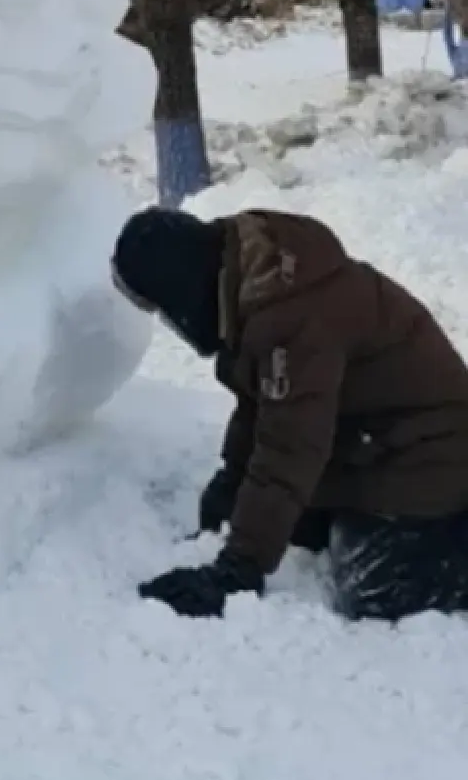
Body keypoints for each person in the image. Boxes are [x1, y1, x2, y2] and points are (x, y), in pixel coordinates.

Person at [113, 205, 468, 622]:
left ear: (183, 293)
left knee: (375, 586)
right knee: (297, 524)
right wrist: (233, 483)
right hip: (373, 441)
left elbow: (290, 445)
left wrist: (237, 568)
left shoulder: (295, 320)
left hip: (434, 449)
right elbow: (265, 404)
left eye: (165, 311)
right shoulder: (252, 284)